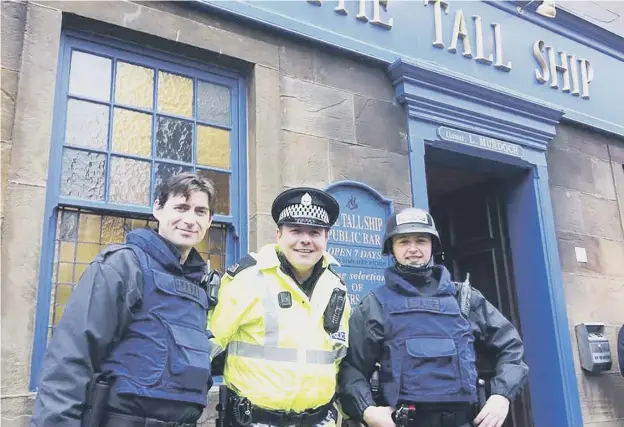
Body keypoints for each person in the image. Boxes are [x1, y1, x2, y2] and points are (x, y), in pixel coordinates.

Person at [31, 172, 220, 427]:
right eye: (181, 207)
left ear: (209, 220)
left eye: (199, 211)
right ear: (158, 208)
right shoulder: (123, 265)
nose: (189, 220)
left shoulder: (199, 285)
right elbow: (70, 358)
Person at [338, 208, 529, 427]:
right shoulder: (375, 305)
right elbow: (351, 367)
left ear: (432, 246)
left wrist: (501, 396)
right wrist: (367, 411)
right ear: (391, 249)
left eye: (421, 240)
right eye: (403, 242)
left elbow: (511, 348)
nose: (413, 249)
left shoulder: (464, 299)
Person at [209, 187, 350, 427]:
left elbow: (337, 358)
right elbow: (207, 347)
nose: (305, 240)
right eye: (295, 230)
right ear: (278, 234)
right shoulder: (246, 278)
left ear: (326, 238)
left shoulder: (337, 287)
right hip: (254, 420)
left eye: (315, 232)